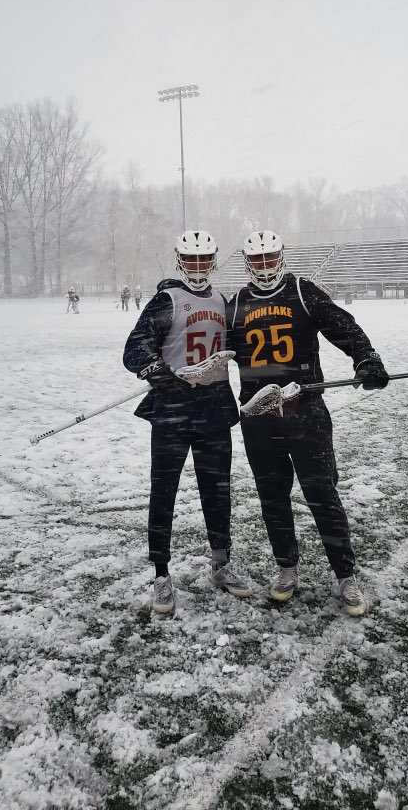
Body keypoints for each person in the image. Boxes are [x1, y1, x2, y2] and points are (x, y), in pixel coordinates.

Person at [227, 229, 389, 617]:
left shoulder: (302, 290)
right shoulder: (236, 304)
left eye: (270, 258)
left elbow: (342, 326)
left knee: (322, 494)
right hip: (258, 416)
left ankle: (345, 575)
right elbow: (216, 351)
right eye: (257, 260)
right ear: (247, 263)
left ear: (280, 256)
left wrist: (366, 359)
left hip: (306, 411)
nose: (264, 266)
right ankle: (287, 569)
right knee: (272, 496)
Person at [123, 229, 252, 614]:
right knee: (164, 492)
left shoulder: (222, 301)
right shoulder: (166, 300)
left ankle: (221, 562)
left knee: (218, 490)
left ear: (213, 262)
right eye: (191, 261)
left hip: (213, 407)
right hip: (172, 410)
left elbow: (243, 346)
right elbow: (134, 348)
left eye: (204, 261)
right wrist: (155, 371)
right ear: (181, 261)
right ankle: (162, 574)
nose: (198, 268)